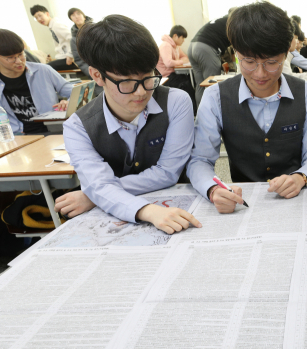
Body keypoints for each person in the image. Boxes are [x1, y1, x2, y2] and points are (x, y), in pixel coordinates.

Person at [55, 15, 201, 235]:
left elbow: (168, 172)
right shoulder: (78, 127)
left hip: (177, 205)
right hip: (123, 219)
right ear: (97, 75)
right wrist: (145, 210)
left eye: (148, 77)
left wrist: (96, 194)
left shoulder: (176, 101)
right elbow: (99, 184)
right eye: (127, 83)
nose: (142, 92)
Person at [187, 2, 307, 214]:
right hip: (244, 202)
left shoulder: (305, 92)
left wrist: (301, 176)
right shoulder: (216, 97)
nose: (260, 74)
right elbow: (200, 160)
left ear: (286, 54)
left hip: (298, 199)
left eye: (271, 62)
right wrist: (213, 189)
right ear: (235, 54)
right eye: (248, 61)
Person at [0, 29, 71, 135]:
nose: (19, 61)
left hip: (51, 131)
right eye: (10, 58)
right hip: (15, 137)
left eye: (21, 54)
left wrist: (69, 102)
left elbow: (75, 93)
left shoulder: (43, 70)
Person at [188, 11, 233, 105]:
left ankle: (201, 115)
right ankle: (212, 115)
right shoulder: (235, 21)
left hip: (192, 46)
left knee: (201, 84)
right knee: (212, 84)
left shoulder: (221, 20)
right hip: (206, 48)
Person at [157, 25, 196, 114]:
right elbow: (168, 63)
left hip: (173, 74)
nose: (183, 40)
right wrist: (179, 61)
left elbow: (185, 57)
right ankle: (192, 111)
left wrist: (178, 61)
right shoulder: (166, 45)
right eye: (182, 38)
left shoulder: (176, 46)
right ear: (175, 36)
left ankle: (193, 109)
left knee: (191, 79)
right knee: (187, 84)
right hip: (166, 77)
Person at [30, 5, 74, 71]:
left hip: (69, 59)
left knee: (44, 68)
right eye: (36, 18)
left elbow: (73, 38)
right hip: (63, 57)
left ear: (47, 14)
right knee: (44, 67)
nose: (39, 19)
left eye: (40, 15)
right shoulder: (52, 26)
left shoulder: (56, 25)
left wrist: (71, 55)